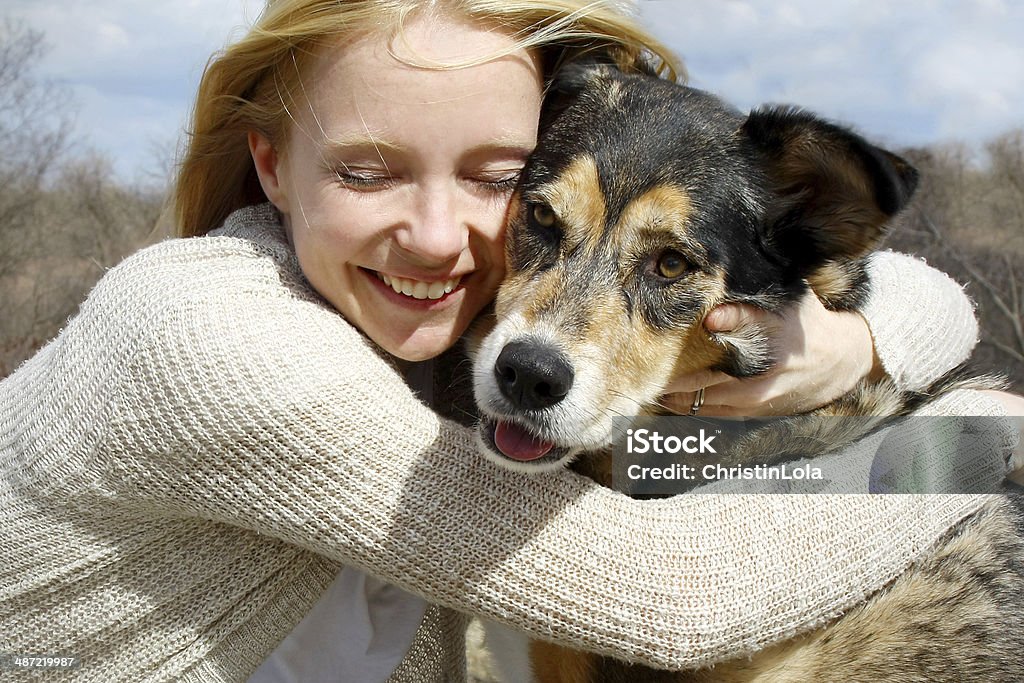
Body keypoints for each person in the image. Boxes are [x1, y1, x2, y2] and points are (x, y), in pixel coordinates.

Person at [0, 1, 1018, 682]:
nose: (440, 235)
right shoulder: (216, 343)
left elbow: (905, 287)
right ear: (269, 166)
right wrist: (982, 434)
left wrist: (856, 345)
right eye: (366, 171)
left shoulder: (421, 329)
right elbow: (675, 594)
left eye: (492, 178)